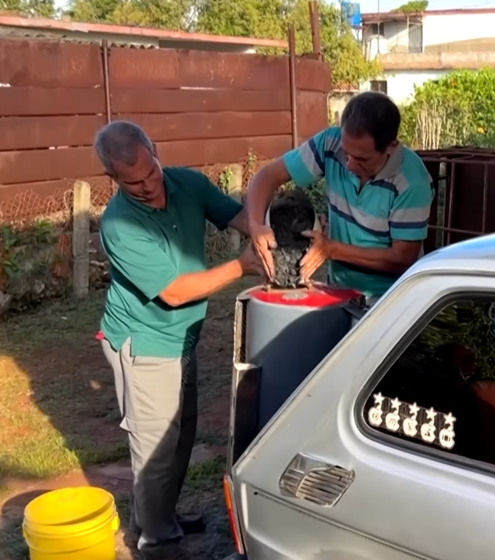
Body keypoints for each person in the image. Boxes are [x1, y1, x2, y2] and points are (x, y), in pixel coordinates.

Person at [93, 121, 263, 560]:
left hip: (181, 338)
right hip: (145, 341)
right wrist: (241, 266)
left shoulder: (185, 182)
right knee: (155, 450)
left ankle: (157, 517)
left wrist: (262, 232)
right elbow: (175, 291)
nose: (149, 187)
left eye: (151, 172)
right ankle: (158, 543)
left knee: (179, 437)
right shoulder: (119, 224)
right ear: (113, 178)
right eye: (134, 183)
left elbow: (236, 215)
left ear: (155, 150)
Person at [247, 91, 434, 302]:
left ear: (391, 146)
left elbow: (402, 258)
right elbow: (266, 177)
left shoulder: (412, 182)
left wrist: (331, 249)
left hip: (392, 302)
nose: (349, 165)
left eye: (362, 159)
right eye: (346, 153)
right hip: (338, 291)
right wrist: (256, 226)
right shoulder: (330, 143)